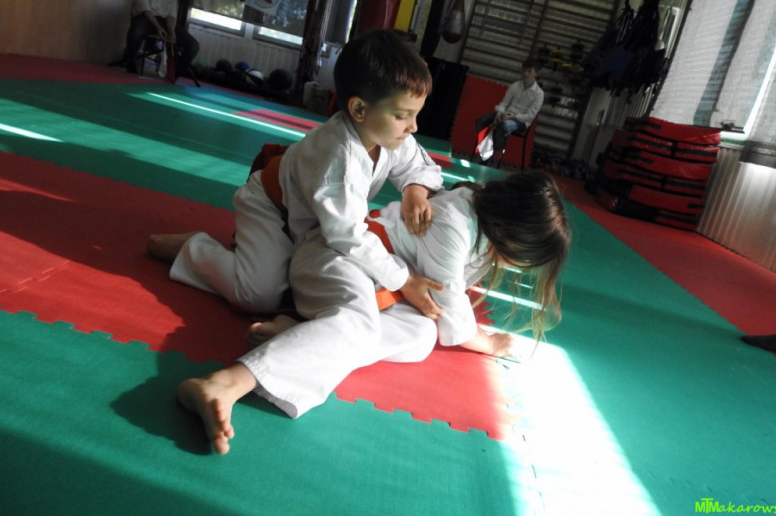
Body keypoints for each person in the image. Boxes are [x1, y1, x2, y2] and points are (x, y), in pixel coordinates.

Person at [177, 171, 571, 454]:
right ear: (512, 233)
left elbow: (438, 314)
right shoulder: (456, 223)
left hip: (383, 288)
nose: (521, 267)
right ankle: (225, 382)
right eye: (526, 258)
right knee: (359, 327)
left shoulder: (483, 231)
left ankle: (300, 334)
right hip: (337, 258)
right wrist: (491, 343)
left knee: (420, 337)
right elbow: (454, 318)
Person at [148, 28, 446, 323]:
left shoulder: (391, 136)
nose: (413, 127)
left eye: (415, 114)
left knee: (333, 282)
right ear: (359, 109)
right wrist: (404, 281)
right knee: (257, 296)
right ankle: (194, 249)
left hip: (316, 221)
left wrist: (415, 190)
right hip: (271, 208)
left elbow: (422, 167)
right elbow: (349, 235)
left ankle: (270, 261)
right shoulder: (339, 157)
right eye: (402, 116)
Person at [121, 0, 200, 77]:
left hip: (164, 22)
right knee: (136, 31)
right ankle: (129, 62)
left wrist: (171, 31)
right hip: (145, 18)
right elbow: (146, 9)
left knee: (193, 45)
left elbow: (172, 16)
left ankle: (175, 73)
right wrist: (158, 27)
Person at [474, 58, 544, 165]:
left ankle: (490, 155)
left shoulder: (539, 94)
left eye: (529, 71)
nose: (525, 73)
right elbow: (504, 103)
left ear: (536, 74)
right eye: (524, 70)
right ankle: (485, 146)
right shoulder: (515, 85)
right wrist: (499, 113)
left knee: (503, 125)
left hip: (521, 122)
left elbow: (529, 116)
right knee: (481, 121)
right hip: (505, 114)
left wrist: (512, 116)